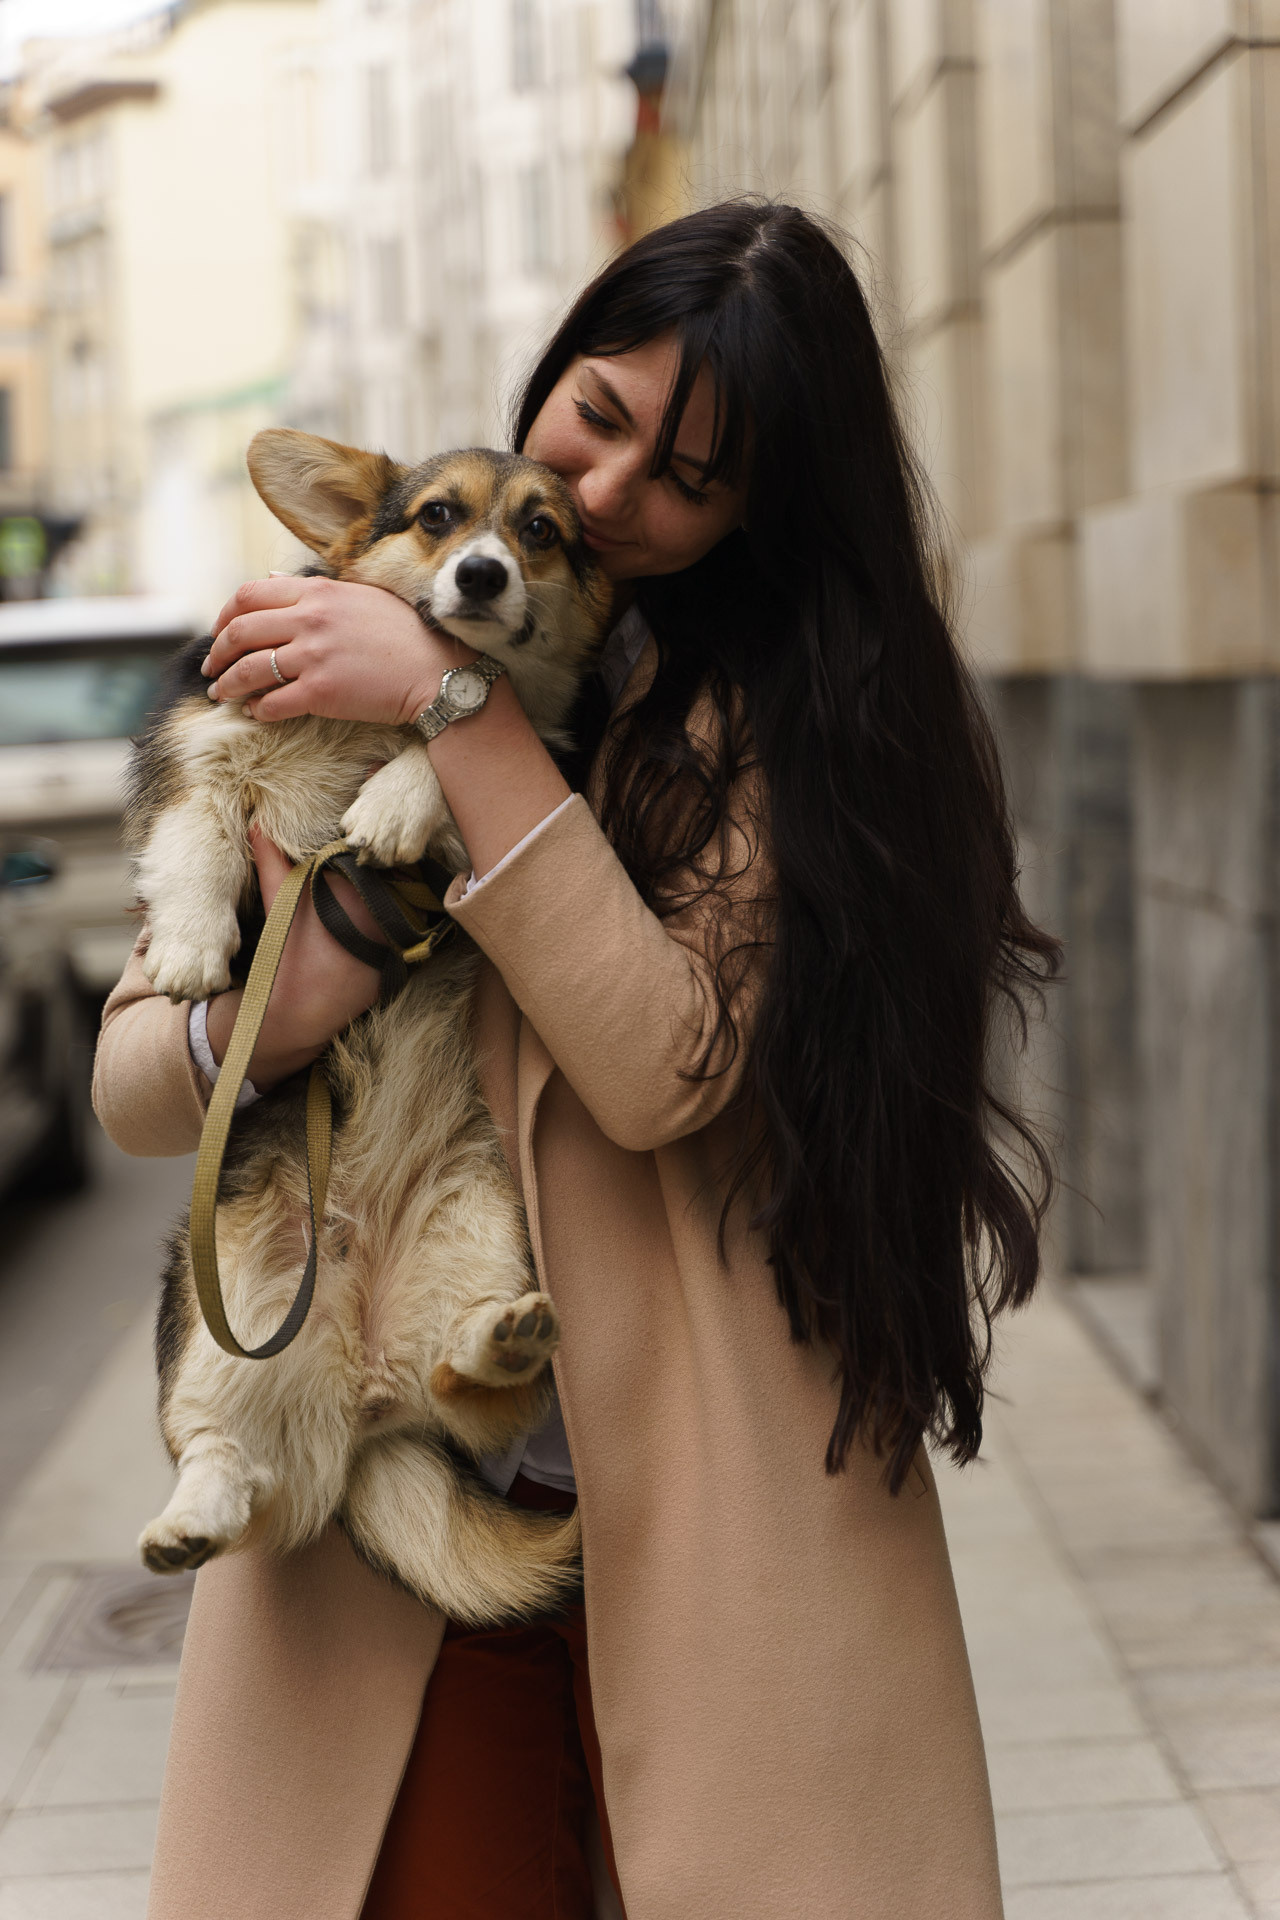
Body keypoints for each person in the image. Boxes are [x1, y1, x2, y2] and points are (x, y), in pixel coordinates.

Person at [94, 201, 1057, 1920]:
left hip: (706, 1506)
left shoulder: (795, 715)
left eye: (686, 472)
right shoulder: (365, 625)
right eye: (598, 415)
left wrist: (457, 723)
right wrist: (272, 1013)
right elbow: (135, 1089)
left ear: (766, 498)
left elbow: (656, 1068)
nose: (607, 495)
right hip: (396, 1511)